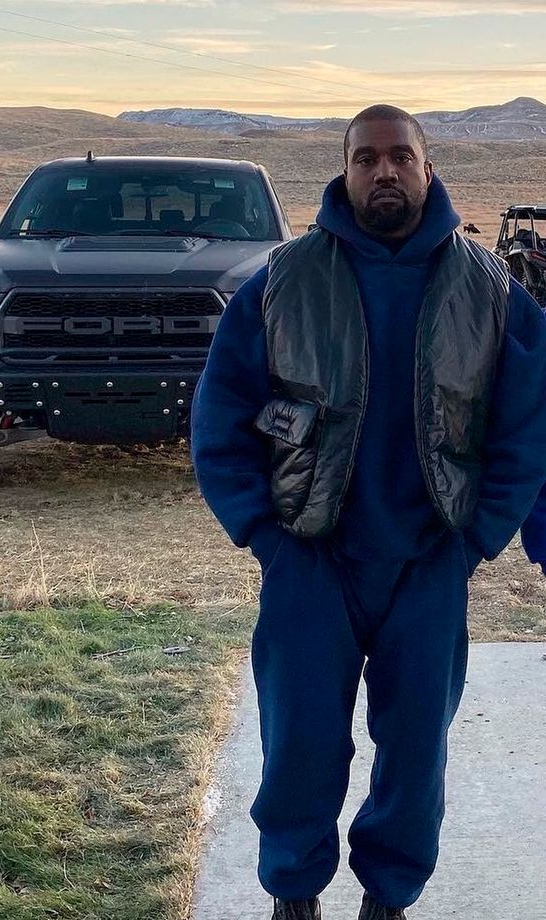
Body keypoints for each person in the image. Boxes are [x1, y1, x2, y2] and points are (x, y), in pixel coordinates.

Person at [190, 104, 546, 920]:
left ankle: (389, 898)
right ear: (344, 170)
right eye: (366, 158)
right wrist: (262, 534)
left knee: (416, 753)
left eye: (401, 157)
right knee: (300, 746)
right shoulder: (284, 280)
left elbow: (528, 430)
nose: (384, 172)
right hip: (309, 558)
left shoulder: (491, 292)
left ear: (428, 167)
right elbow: (220, 417)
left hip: (428, 563)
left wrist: (477, 542)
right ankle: (295, 892)